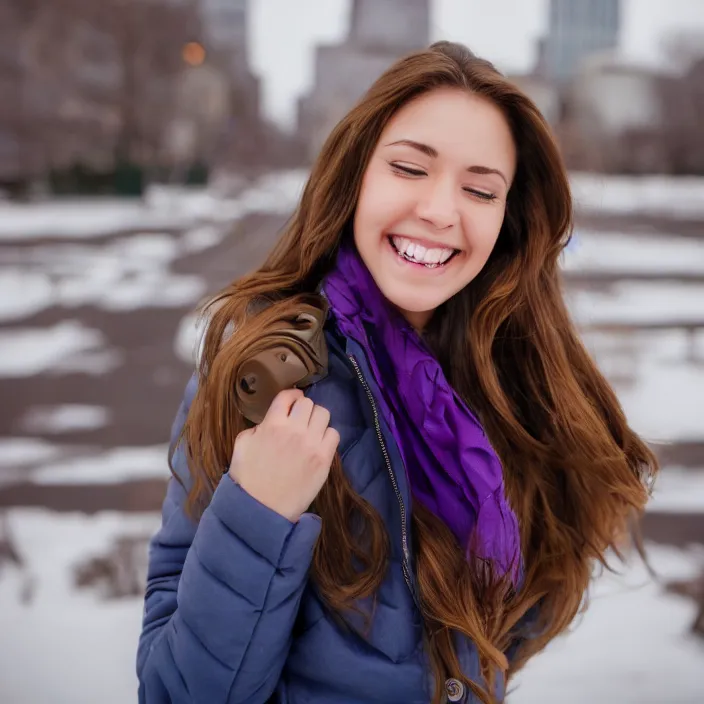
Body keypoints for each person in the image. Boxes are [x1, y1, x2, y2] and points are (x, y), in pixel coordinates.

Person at [136, 42, 657, 704]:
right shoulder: (261, 375)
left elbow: (512, 622)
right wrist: (258, 513)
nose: (441, 211)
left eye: (479, 189)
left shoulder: (518, 378)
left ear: (508, 219)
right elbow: (174, 692)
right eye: (410, 168)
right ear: (357, 176)